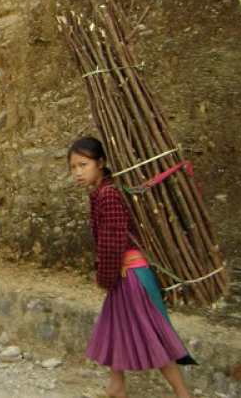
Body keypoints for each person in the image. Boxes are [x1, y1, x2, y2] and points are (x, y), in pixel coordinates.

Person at [68, 136, 194, 398]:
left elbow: (114, 240)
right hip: (124, 274)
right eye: (73, 167)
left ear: (100, 163)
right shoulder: (104, 191)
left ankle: (183, 393)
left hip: (132, 275)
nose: (78, 172)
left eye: (83, 165)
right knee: (114, 325)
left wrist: (105, 276)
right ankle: (117, 385)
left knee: (152, 333)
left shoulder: (110, 196)